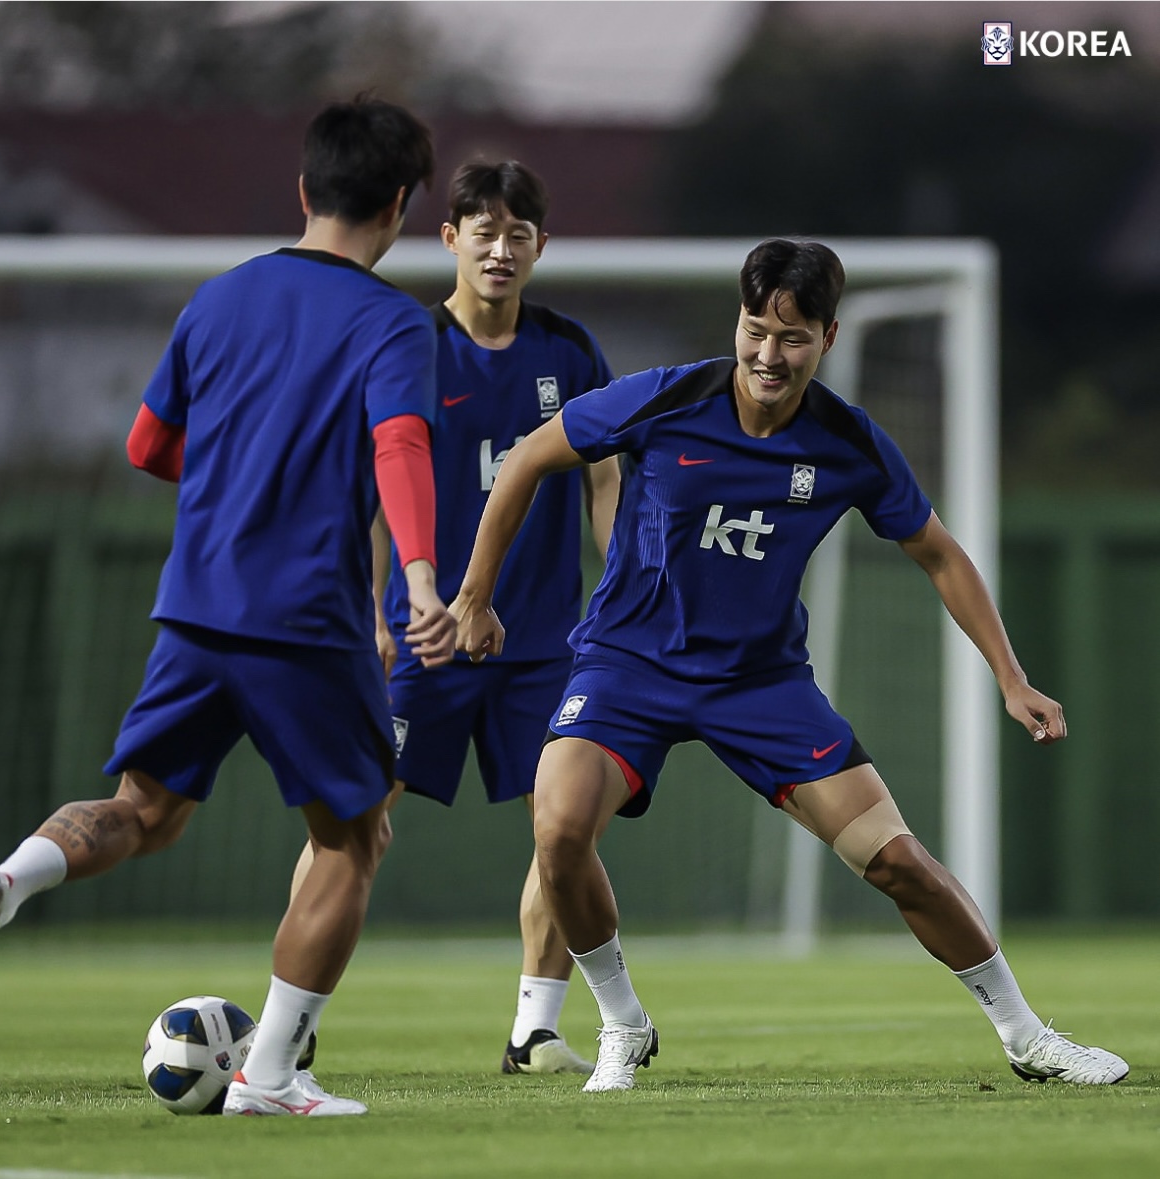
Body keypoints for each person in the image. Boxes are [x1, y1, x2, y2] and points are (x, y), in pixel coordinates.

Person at [450, 238, 1130, 1093]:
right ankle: (622, 1021)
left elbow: (940, 554)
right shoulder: (668, 396)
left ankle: (1028, 1036)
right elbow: (524, 461)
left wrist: (1010, 675)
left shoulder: (847, 442)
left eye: (792, 337)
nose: (767, 355)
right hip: (627, 665)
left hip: (760, 683)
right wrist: (474, 596)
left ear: (827, 337)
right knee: (556, 829)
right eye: (753, 331)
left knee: (896, 861)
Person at [0, 94, 455, 1117]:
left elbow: (147, 448)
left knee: (143, 810)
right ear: (403, 205)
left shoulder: (219, 299)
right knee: (355, 834)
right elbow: (400, 449)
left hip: (195, 608)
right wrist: (418, 578)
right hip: (303, 622)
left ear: (304, 189)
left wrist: (238, 476)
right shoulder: (392, 323)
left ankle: (6, 882)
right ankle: (271, 1076)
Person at [291, 159, 620, 1075]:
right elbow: (358, 491)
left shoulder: (571, 352)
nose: (501, 249)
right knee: (352, 816)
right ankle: (293, 1022)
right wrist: (372, 612)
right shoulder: (406, 343)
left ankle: (535, 1027)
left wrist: (621, 580)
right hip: (422, 633)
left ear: (540, 246)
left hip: (547, 639)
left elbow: (603, 477)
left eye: (519, 234)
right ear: (449, 240)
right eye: (484, 231)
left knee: (565, 826)